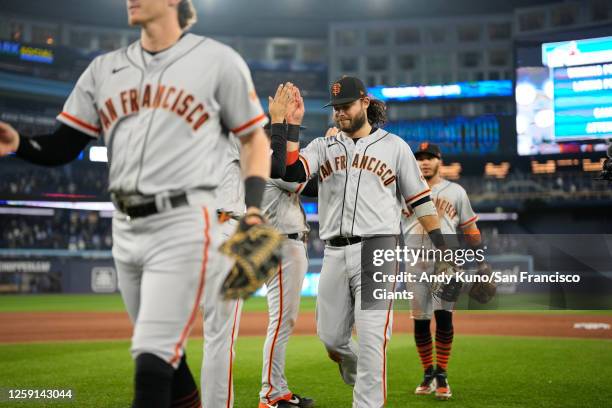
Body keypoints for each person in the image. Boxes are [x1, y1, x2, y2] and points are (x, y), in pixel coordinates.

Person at [0, 1, 270, 407]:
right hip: (124, 226)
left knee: (151, 364)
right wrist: (20, 143)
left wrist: (251, 207)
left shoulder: (217, 61)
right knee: (167, 359)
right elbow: (63, 145)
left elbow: (254, 138)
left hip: (183, 221)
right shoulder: (103, 69)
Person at [278, 76, 448, 408]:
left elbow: (421, 201)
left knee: (372, 340)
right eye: (336, 108)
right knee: (331, 338)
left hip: (379, 248)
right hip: (333, 251)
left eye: (346, 106)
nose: (340, 113)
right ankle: (359, 368)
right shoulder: (322, 146)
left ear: (365, 103)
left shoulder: (395, 146)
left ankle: (367, 397)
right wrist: (292, 126)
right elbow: (291, 174)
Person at [402, 142, 482, 400]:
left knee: (444, 318)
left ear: (439, 161)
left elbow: (471, 230)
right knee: (421, 321)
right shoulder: (402, 191)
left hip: (447, 263)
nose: (424, 162)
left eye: (430, 158)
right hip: (414, 262)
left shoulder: (456, 191)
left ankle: (442, 374)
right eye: (420, 158)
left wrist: (482, 263)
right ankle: (428, 373)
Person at [258, 86, 316, 408]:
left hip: (285, 243)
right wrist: (284, 124)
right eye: (289, 138)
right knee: (281, 322)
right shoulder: (269, 159)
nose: (294, 146)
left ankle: (277, 389)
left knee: (282, 321)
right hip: (280, 244)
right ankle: (270, 394)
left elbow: (314, 186)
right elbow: (296, 179)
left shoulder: (270, 159)